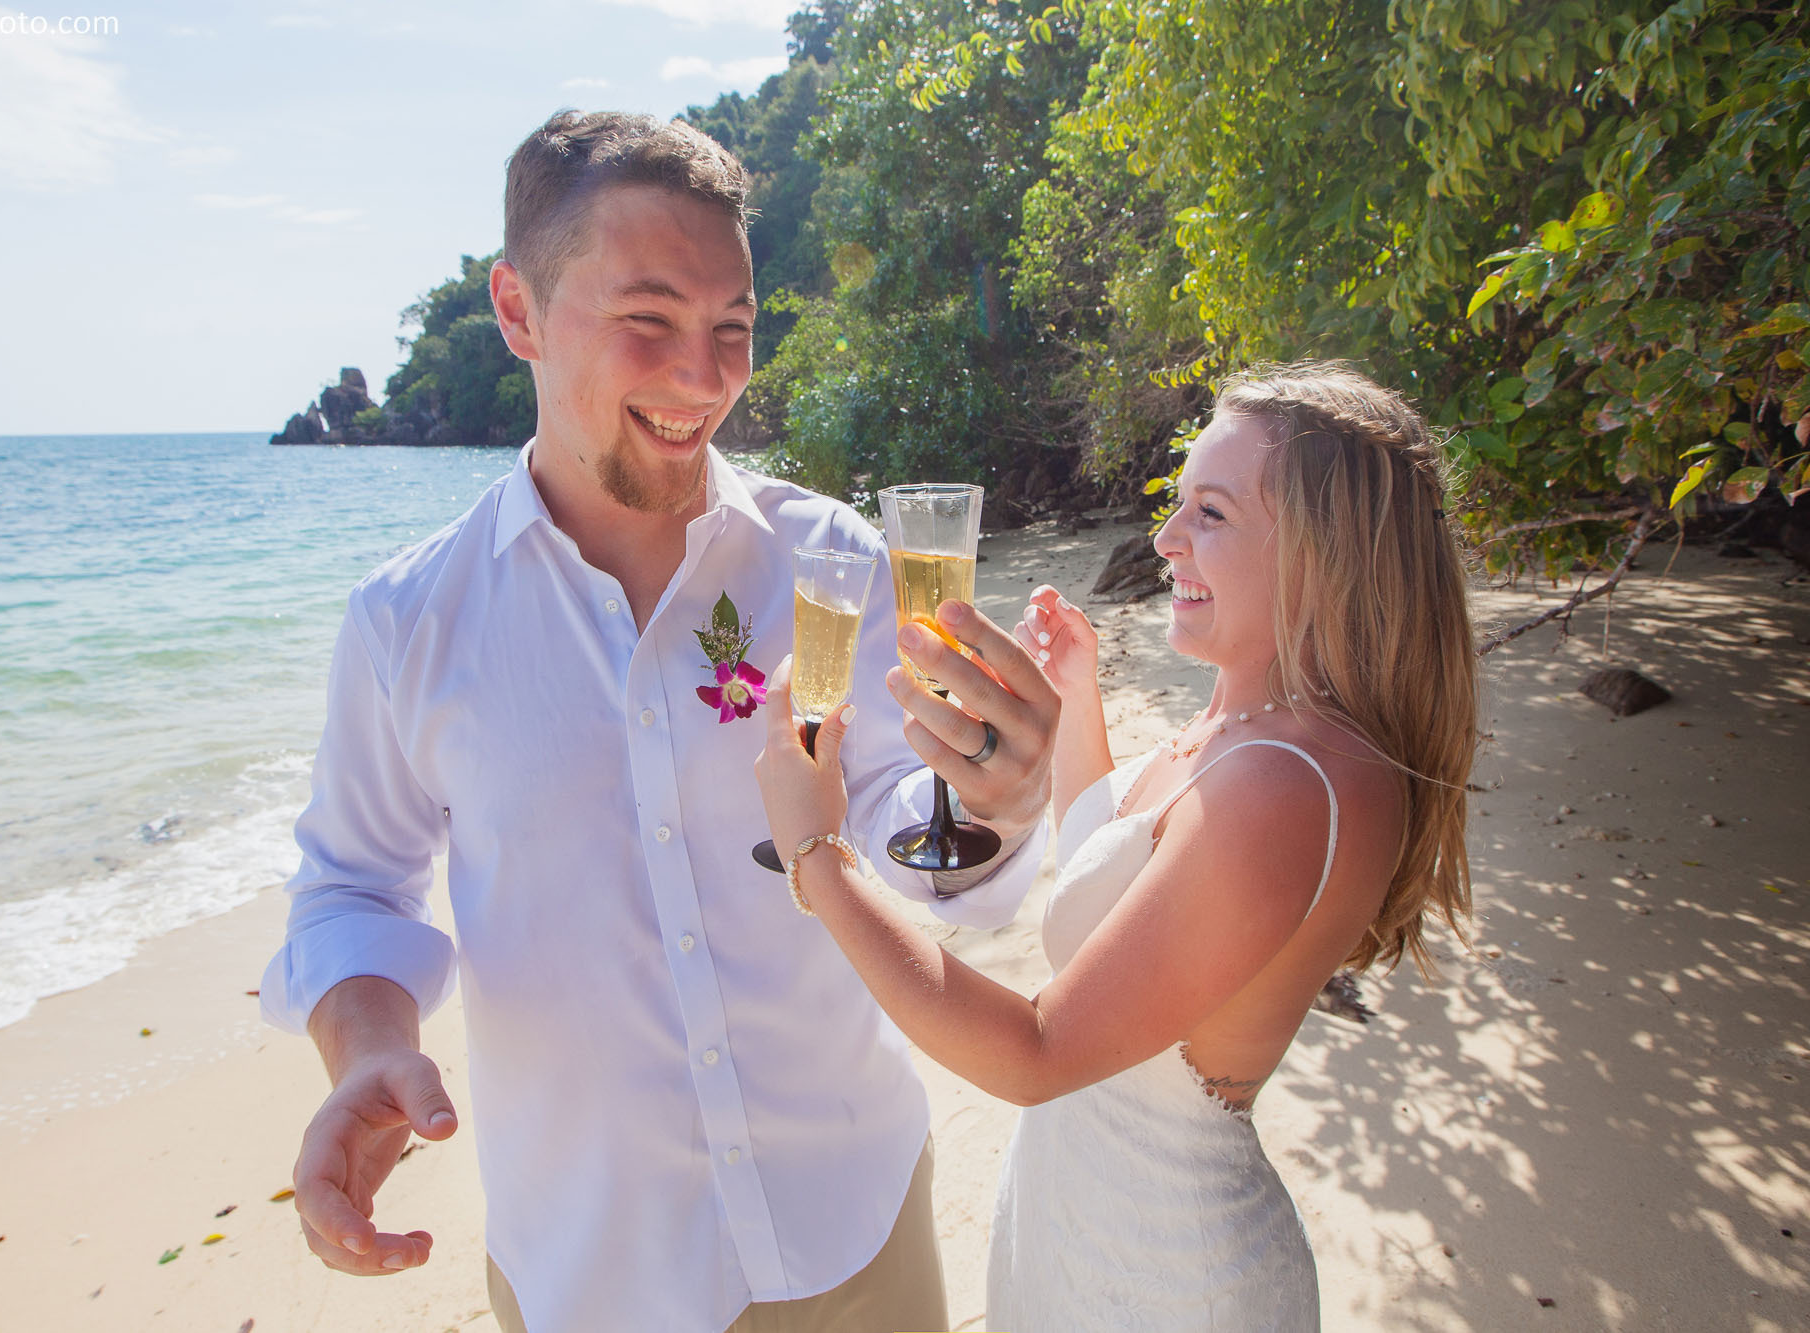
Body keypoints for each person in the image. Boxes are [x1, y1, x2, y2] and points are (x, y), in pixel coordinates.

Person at [258, 110, 1059, 1333]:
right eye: (648, 322)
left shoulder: (825, 563)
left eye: (731, 329)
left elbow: (903, 812)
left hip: (856, 1219)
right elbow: (354, 890)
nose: (704, 378)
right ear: (518, 311)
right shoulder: (408, 621)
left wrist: (990, 802)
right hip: (593, 1271)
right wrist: (366, 1047)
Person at [755, 362, 1479, 1330]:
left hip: (1164, 1275)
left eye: (1209, 514)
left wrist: (814, 850)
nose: (1165, 538)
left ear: (1326, 549)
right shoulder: (1245, 726)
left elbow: (1038, 1052)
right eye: (1178, 505)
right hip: (1085, 1237)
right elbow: (1126, 860)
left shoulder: (1285, 780)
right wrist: (1075, 697)